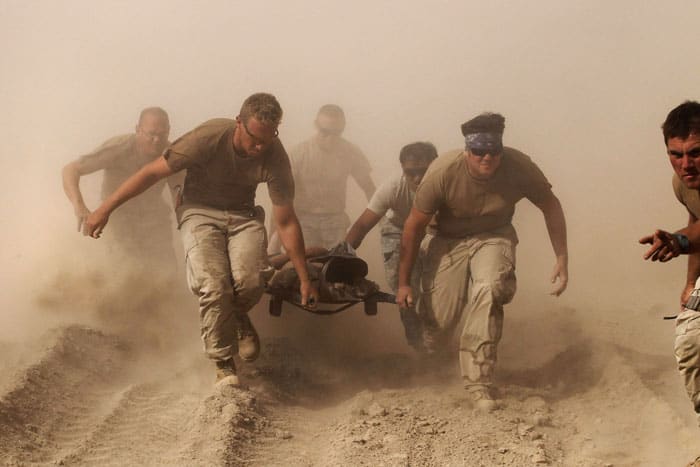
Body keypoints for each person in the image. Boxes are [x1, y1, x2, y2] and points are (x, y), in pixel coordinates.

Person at [83, 93, 319, 387]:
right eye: (254, 138)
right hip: (198, 210)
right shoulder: (207, 138)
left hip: (243, 215)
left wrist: (304, 277)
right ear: (238, 124)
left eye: (268, 138)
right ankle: (223, 363)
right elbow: (151, 173)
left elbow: (285, 221)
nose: (259, 147)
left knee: (251, 281)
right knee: (213, 283)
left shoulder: (275, 157)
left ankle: (237, 317)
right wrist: (104, 209)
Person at [397, 112, 568, 412]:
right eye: (479, 151)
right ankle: (433, 359)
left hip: (494, 235)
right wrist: (402, 283)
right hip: (447, 240)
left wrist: (561, 257)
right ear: (467, 151)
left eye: (494, 151)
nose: (486, 158)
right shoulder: (443, 173)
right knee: (440, 322)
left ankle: (479, 382)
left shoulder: (519, 167)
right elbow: (413, 228)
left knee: (489, 290)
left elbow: (550, 205)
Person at [639, 101, 700, 456]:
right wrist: (690, 283)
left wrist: (678, 241)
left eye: (695, 153)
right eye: (675, 154)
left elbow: (690, 235)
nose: (686, 164)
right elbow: (697, 224)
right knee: (691, 342)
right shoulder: (683, 184)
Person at [345, 142, 438, 351]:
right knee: (403, 288)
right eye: (410, 172)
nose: (417, 178)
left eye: (423, 172)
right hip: (397, 229)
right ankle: (418, 343)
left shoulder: (447, 182)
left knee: (438, 285)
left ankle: (437, 335)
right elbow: (361, 225)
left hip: (433, 232)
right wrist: (342, 259)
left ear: (436, 165)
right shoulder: (393, 186)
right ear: (402, 169)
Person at [62, 107, 179, 271]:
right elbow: (71, 170)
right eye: (151, 134)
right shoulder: (119, 148)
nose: (156, 140)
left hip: (154, 222)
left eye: (162, 134)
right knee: (117, 273)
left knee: (167, 274)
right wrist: (79, 206)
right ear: (138, 130)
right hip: (115, 219)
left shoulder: (173, 154)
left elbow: (184, 189)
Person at [269, 104, 376, 251]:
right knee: (308, 267)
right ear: (316, 125)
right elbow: (281, 196)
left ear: (343, 128)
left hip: (335, 220)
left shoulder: (350, 152)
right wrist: (272, 238)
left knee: (338, 267)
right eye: (325, 132)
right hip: (303, 220)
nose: (330, 138)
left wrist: (385, 222)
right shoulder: (299, 153)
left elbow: (369, 188)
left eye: (336, 132)